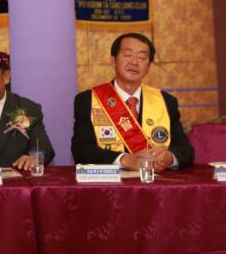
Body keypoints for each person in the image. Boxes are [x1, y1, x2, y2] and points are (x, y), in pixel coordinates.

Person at [71, 32, 194, 171]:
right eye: (128, 55)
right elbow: (81, 150)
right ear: (113, 61)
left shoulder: (166, 101)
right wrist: (125, 160)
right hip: (110, 182)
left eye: (142, 57)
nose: (134, 62)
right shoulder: (89, 100)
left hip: (154, 181)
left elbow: (185, 150)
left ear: (149, 66)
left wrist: (169, 158)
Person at [0, 45, 54, 170]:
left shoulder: (28, 108)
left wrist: (34, 158)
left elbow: (44, 148)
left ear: (6, 77)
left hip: (15, 181)